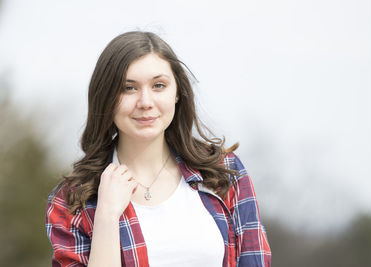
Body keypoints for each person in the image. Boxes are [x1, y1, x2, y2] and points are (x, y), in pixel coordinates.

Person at [45, 31, 271, 267]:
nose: (145, 102)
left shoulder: (223, 172)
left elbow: (254, 260)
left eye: (159, 85)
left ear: (176, 93)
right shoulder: (72, 200)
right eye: (128, 88)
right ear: (106, 97)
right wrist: (106, 217)